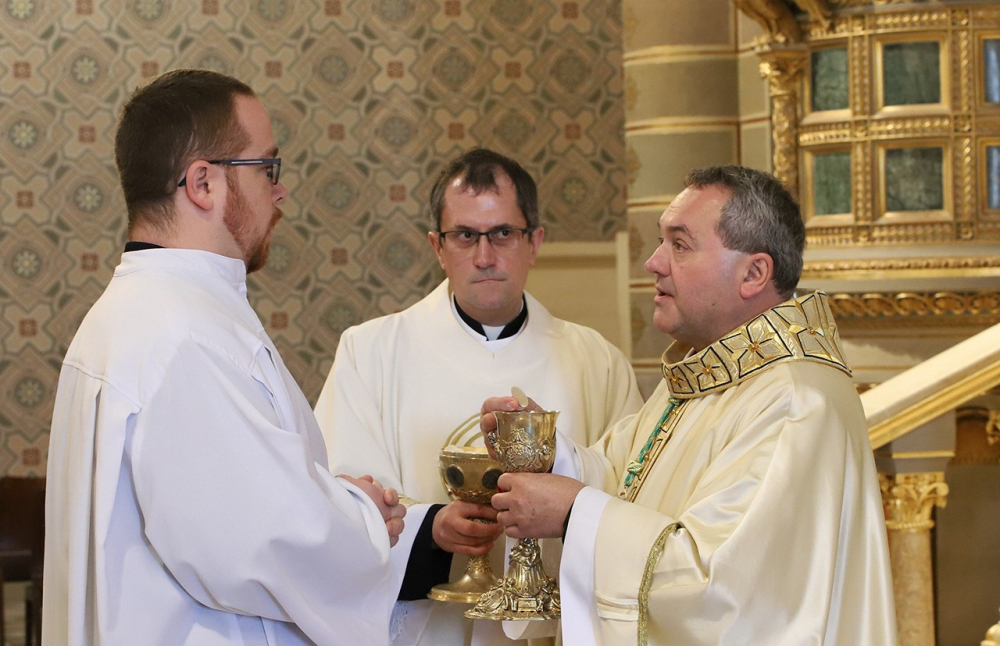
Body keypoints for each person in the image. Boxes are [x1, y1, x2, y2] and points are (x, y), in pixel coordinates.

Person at [43, 69, 407, 646]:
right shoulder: (183, 335)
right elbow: (260, 540)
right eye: (267, 168)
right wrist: (360, 515)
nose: (280, 192)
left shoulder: (145, 314)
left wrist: (332, 502)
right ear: (203, 184)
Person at [483, 166, 897, 645]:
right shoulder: (705, 371)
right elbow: (624, 483)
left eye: (679, 245)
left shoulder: (795, 400)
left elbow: (721, 589)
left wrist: (575, 514)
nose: (653, 263)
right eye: (661, 242)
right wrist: (548, 456)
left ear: (753, 274)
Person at [314, 148, 644, 645]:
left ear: (534, 242)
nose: (485, 257)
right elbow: (342, 502)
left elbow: (631, 499)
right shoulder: (370, 352)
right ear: (437, 246)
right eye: (465, 236)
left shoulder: (598, 362)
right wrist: (431, 531)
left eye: (503, 234)